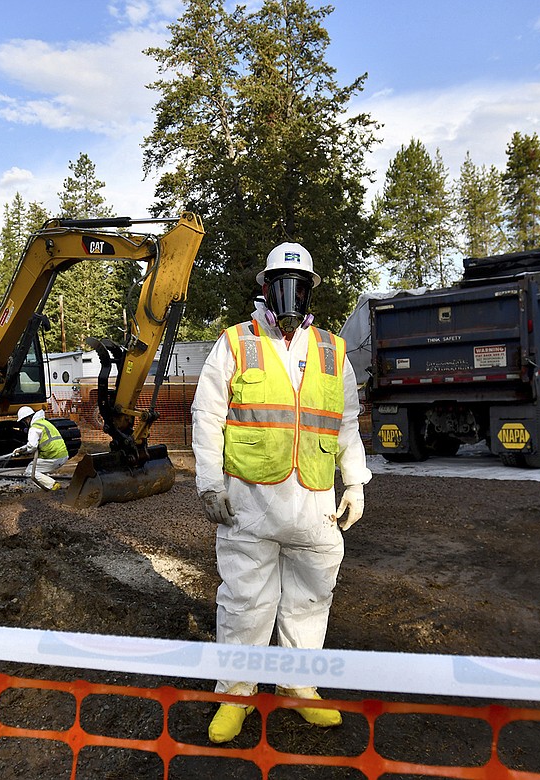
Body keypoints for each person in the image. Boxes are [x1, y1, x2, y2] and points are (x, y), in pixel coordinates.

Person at [190, 241, 372, 744]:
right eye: (279, 284)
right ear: (264, 288)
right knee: (245, 601)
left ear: (310, 289)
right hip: (250, 504)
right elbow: (207, 417)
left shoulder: (334, 352)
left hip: (314, 505)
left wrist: (354, 480)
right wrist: (209, 483)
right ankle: (236, 695)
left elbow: (347, 424)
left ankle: (297, 688)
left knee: (311, 602)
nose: (288, 296)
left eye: (298, 285)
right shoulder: (234, 343)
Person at [12, 405, 70, 490]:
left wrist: (23, 452)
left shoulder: (34, 428)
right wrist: (21, 449)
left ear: (27, 419)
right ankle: (47, 484)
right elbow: (36, 443)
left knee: (30, 471)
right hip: (63, 455)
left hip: (53, 457)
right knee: (38, 470)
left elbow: (32, 447)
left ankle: (53, 485)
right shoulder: (43, 422)